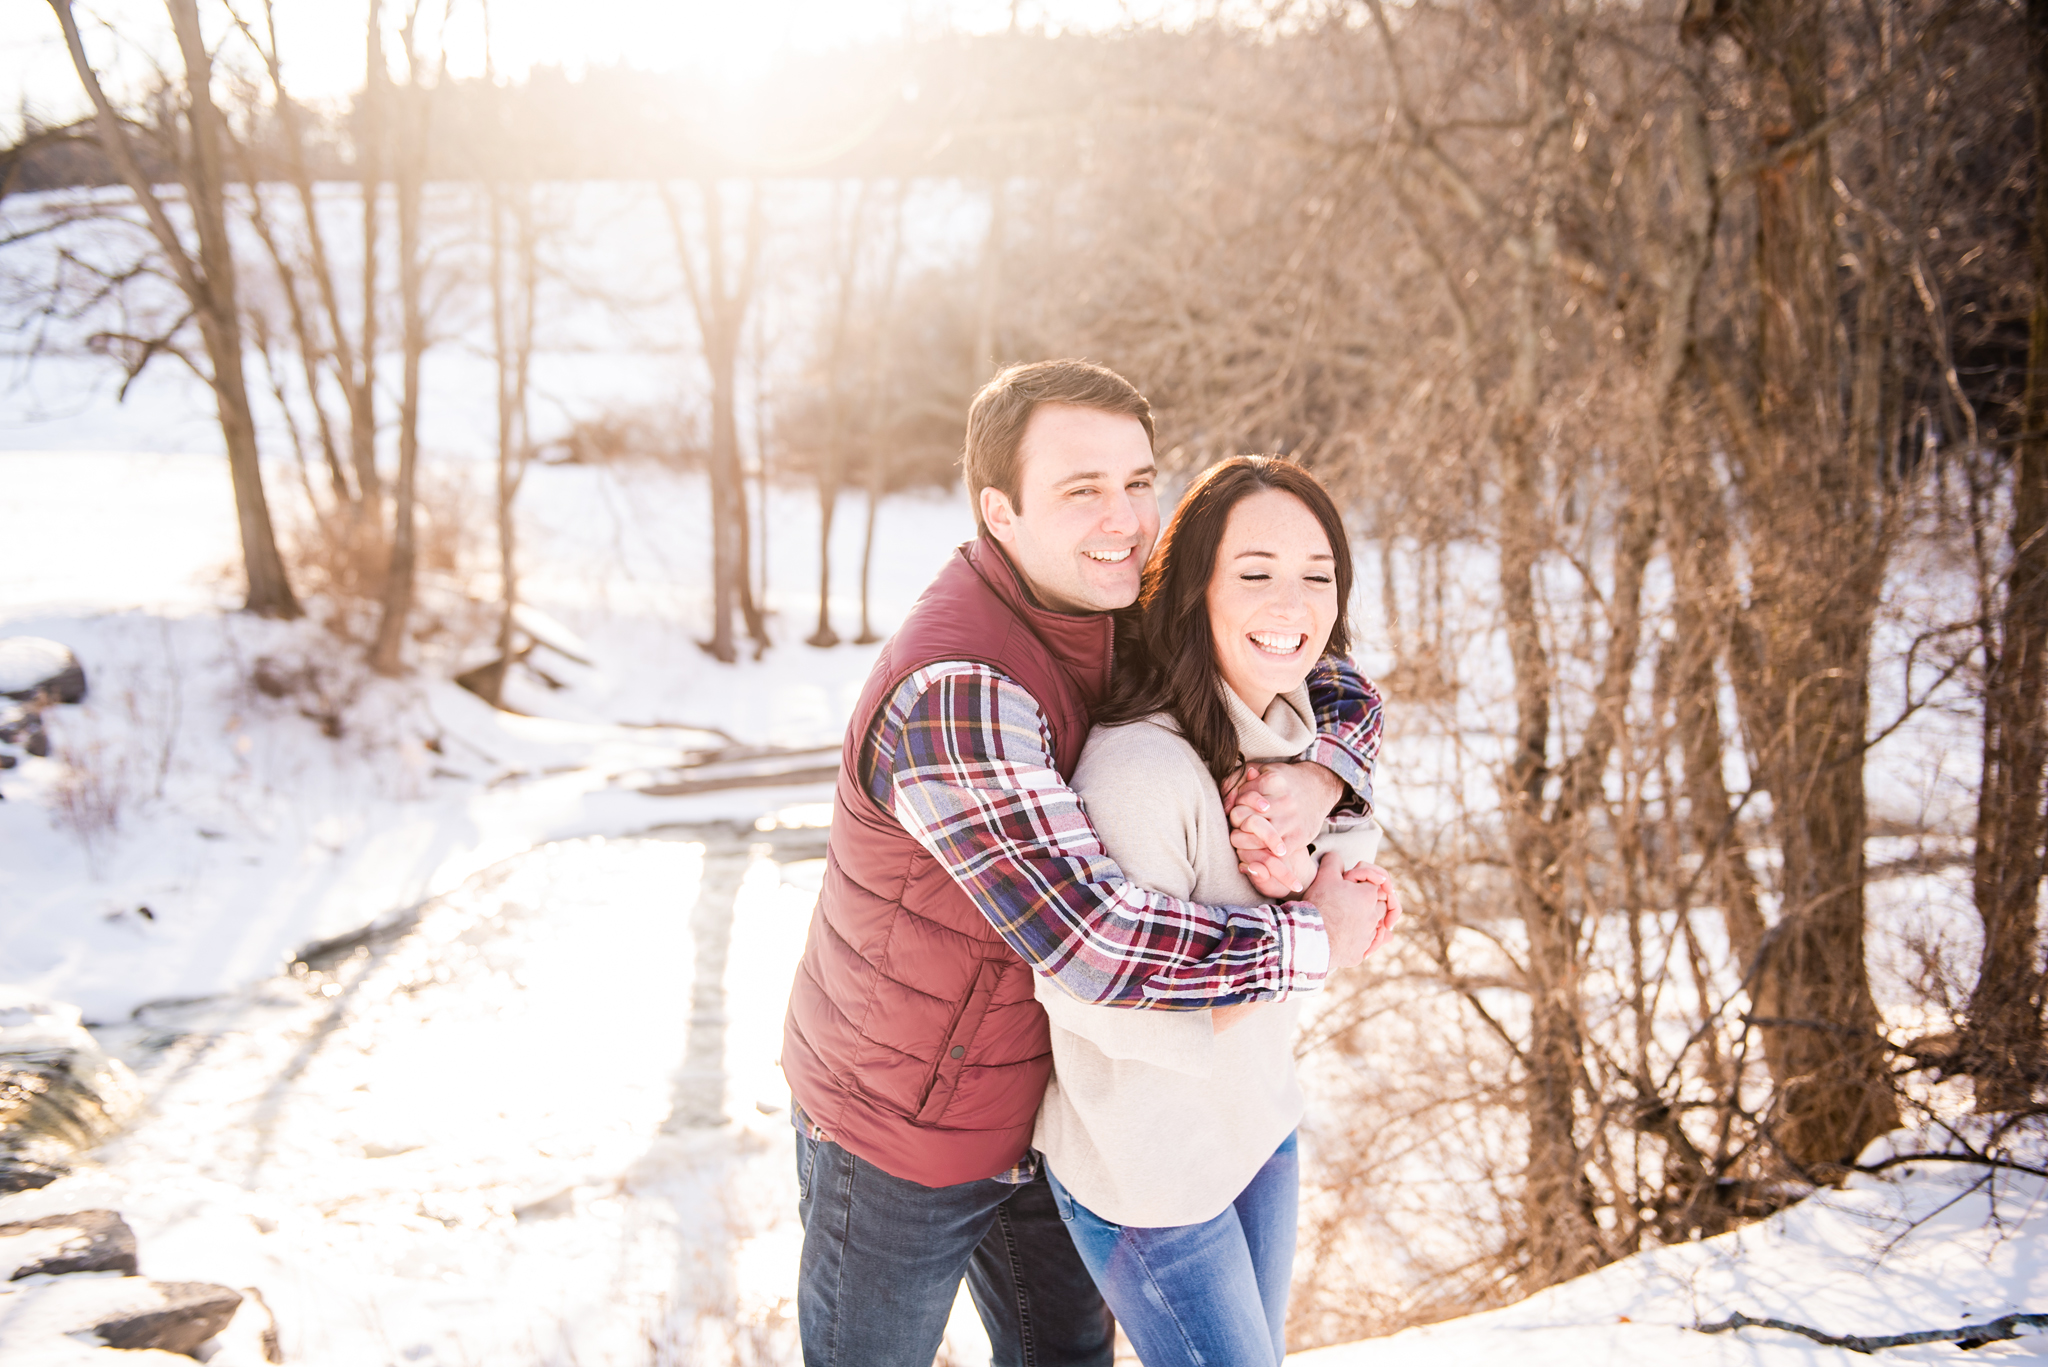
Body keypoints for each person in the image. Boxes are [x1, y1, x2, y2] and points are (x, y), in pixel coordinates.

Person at [780, 360, 1389, 1367]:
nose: (1123, 518)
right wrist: (1314, 936)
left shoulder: (1107, 602)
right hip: (900, 1129)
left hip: (1051, 1112)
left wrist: (1319, 777)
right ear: (999, 511)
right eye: (1079, 489)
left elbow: (1320, 666)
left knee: (1063, 1355)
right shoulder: (956, 689)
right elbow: (1094, 940)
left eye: (1138, 482)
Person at [1033, 456, 1402, 1367]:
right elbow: (1113, 998)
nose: (1293, 603)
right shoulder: (1139, 772)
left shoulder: (1286, 723)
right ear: (1192, 587)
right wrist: (1313, 932)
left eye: (1318, 575)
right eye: (1256, 572)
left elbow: (1352, 850)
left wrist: (1319, 846)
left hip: (1255, 1122)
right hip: (1149, 1173)